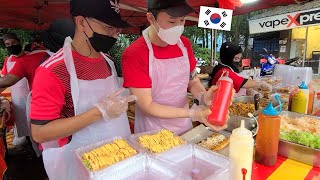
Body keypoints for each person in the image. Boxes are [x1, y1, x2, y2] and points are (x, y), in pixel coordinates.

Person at [30, 0, 135, 179]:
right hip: (78, 166)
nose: (114, 35)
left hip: (118, 159)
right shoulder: (54, 70)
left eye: (117, 29)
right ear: (81, 22)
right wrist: (99, 112)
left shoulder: (107, 61)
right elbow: (40, 133)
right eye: (108, 27)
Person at [122, 0, 230, 136]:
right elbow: (146, 105)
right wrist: (192, 113)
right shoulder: (134, 53)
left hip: (184, 127)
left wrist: (203, 96)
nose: (178, 27)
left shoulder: (184, 45)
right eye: (172, 22)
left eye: (182, 20)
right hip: (152, 133)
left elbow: (193, 81)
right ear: (151, 18)